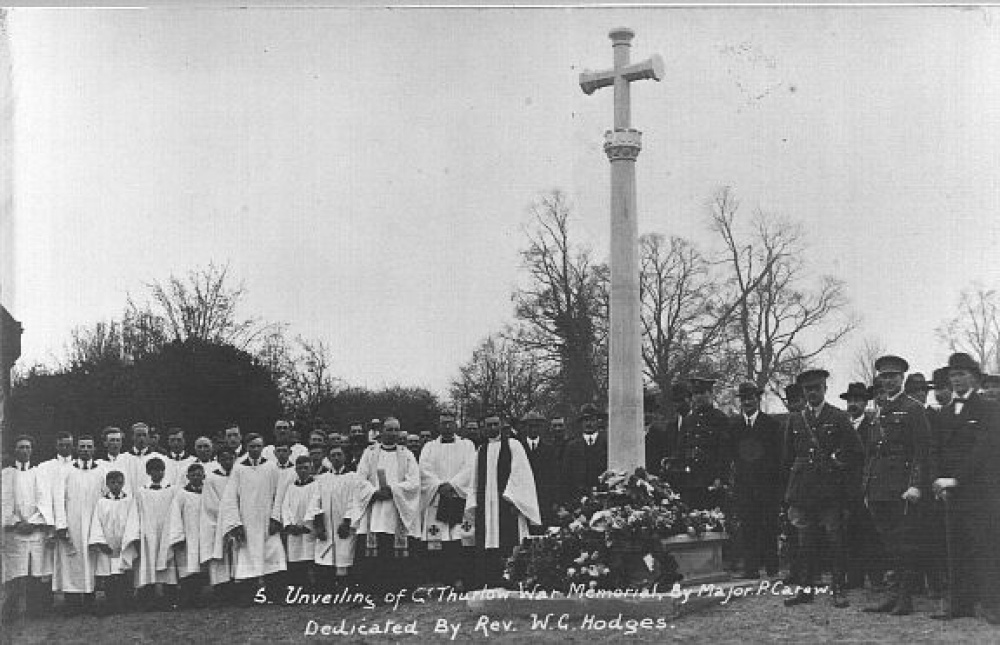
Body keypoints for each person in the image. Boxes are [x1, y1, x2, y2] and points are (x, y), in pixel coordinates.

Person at [782, 368, 863, 609]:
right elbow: (787, 457)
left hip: (830, 490)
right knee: (805, 541)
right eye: (808, 390)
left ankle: (838, 589)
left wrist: (840, 460)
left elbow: (857, 451)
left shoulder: (837, 417)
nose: (812, 393)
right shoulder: (796, 419)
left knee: (834, 539)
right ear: (804, 392)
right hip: (804, 490)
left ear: (825, 389)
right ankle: (806, 590)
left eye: (817, 388)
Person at [930, 352, 1000, 622]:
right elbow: (935, 450)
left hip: (980, 491)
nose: (956, 379)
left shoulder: (988, 409)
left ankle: (992, 605)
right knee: (955, 547)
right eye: (953, 375)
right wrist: (939, 481)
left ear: (973, 377)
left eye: (961, 374)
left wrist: (956, 478)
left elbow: (983, 452)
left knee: (984, 547)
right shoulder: (944, 413)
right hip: (951, 492)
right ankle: (960, 605)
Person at [860, 356, 930, 616]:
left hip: (901, 488)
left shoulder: (912, 408)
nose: (888, 380)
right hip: (879, 488)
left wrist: (915, 485)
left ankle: (905, 598)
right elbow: (871, 452)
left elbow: (922, 451)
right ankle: (893, 595)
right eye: (884, 376)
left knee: (904, 543)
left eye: (893, 376)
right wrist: (866, 488)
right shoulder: (878, 409)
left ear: (902, 378)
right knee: (887, 543)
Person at [465, 415, 540, 588]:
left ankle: (513, 578)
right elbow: (475, 479)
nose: (492, 428)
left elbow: (521, 473)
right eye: (488, 425)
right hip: (486, 505)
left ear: (501, 425)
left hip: (507, 503)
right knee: (488, 541)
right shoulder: (481, 450)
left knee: (509, 540)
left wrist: (513, 499)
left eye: (495, 424)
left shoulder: (513, 445)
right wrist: (474, 502)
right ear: (484, 427)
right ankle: (489, 580)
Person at [355, 417, 422, 599]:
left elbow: (414, 482)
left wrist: (392, 490)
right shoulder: (369, 453)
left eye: (396, 430)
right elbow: (360, 479)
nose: (393, 433)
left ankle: (399, 590)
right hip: (376, 508)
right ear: (381, 432)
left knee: (397, 553)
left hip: (397, 508)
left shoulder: (407, 454)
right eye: (389, 429)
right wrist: (375, 492)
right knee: (379, 552)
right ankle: (377, 590)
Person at [217, 434, 287, 604]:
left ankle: (276, 594)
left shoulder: (271, 467)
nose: (255, 450)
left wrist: (276, 518)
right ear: (246, 447)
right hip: (247, 522)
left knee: (273, 554)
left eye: (258, 446)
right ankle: (247, 596)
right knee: (247, 556)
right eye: (251, 446)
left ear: (263, 447)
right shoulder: (239, 469)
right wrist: (236, 524)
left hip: (267, 520)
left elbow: (279, 494)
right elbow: (230, 498)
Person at [728, 382, 783, 580]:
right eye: (744, 399)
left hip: (767, 486)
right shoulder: (734, 427)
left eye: (751, 398)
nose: (748, 402)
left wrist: (776, 487)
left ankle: (772, 568)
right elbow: (732, 457)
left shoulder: (771, 425)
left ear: (758, 400)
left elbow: (778, 459)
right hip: (745, 486)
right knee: (748, 527)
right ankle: (750, 569)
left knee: (769, 526)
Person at [419, 411, 477, 589]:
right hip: (437, 497)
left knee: (459, 539)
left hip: (459, 496)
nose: (447, 426)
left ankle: (460, 577)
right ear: (438, 425)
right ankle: (440, 579)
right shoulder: (429, 447)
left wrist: (453, 485)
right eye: (443, 423)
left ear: (456, 425)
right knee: (438, 541)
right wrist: (439, 485)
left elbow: (471, 467)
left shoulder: (467, 445)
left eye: (450, 422)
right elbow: (424, 469)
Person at [52, 434, 106, 615]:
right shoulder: (66, 471)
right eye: (82, 447)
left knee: (91, 560)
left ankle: (90, 601)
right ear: (77, 449)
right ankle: (72, 603)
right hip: (72, 523)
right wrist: (61, 524)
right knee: (71, 561)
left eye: (88, 447)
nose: (85, 450)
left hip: (93, 523)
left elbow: (105, 498)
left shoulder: (101, 471)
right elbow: (59, 498)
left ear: (94, 449)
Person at [2, 435, 54, 619]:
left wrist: (33, 521)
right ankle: (11, 610)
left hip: (34, 530)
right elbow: (4, 502)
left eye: (27, 447)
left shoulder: (39, 473)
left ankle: (35, 609)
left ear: (32, 450)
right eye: (21, 447)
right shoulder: (6, 474)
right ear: (15, 450)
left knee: (35, 571)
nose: (24, 450)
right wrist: (15, 522)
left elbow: (45, 501)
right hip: (14, 533)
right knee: (14, 573)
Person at [839, 382, 884, 591]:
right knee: (850, 532)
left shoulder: (873, 426)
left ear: (865, 403)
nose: (853, 404)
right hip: (845, 487)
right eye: (850, 400)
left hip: (866, 486)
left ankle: (876, 577)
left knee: (870, 532)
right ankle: (854, 577)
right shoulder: (841, 425)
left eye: (857, 400)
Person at [314, 446, 374, 587]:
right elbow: (315, 500)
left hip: (345, 523)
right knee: (327, 556)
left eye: (339, 455)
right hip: (327, 523)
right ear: (328, 458)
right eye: (333, 455)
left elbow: (355, 500)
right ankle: (328, 588)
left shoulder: (353, 477)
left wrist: (347, 522)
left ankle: (345, 588)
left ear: (344, 457)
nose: (336, 458)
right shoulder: (322, 479)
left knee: (344, 555)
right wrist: (319, 525)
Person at [123, 457, 179, 611]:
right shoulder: (141, 492)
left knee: (168, 566)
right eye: (154, 470)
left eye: (160, 470)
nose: (157, 473)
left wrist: (174, 532)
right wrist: (136, 535)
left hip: (166, 533)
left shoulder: (171, 490)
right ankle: (147, 600)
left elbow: (175, 512)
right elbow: (135, 514)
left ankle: (169, 599)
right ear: (148, 472)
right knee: (146, 566)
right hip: (148, 534)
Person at [672, 377, 730, 510]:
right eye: (696, 394)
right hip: (690, 480)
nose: (698, 397)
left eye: (702, 393)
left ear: (711, 394)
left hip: (710, 479)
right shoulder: (689, 420)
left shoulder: (720, 419)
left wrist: (720, 477)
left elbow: (724, 451)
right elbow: (681, 448)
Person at [88, 469, 134, 615]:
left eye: (119, 483)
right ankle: (111, 603)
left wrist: (127, 542)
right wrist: (102, 543)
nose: (116, 486)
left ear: (123, 483)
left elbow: (132, 522)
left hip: (123, 544)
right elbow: (97, 523)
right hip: (107, 545)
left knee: (123, 574)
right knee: (109, 576)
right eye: (113, 483)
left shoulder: (129, 501)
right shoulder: (102, 502)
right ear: (107, 484)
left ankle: (125, 603)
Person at [168, 462, 208, 608]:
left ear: (204, 476)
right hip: (187, 536)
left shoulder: (208, 493)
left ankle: (199, 598)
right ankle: (187, 598)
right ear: (188, 477)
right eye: (193, 475)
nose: (196, 477)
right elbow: (175, 516)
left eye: (199, 474)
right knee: (187, 568)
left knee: (200, 568)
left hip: (204, 535)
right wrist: (178, 536)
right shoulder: (181, 495)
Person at [281, 456, 324, 588]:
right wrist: (289, 524)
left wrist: (306, 523)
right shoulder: (291, 487)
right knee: (295, 558)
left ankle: (313, 588)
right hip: (294, 529)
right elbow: (285, 507)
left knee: (310, 558)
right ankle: (298, 587)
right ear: (296, 469)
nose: (303, 471)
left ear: (311, 468)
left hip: (309, 528)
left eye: (306, 468)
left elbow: (315, 504)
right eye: (300, 468)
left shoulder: (316, 485)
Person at [203, 448, 236, 605]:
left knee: (236, 557)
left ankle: (236, 590)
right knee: (220, 558)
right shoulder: (211, 479)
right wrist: (225, 520)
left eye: (230, 458)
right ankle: (221, 593)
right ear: (218, 460)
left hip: (236, 522)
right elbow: (211, 504)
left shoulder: (238, 476)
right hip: (218, 523)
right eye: (224, 459)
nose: (227, 462)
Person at [519, 410, 560, 528]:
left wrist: (555, 500)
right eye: (530, 426)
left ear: (541, 428)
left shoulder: (549, 449)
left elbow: (555, 476)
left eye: (536, 426)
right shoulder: (518, 448)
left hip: (544, 499)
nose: (533, 429)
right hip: (524, 499)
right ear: (525, 428)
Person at [564, 404, 608, 499]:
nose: (589, 424)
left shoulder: (607, 444)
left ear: (598, 422)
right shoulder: (572, 446)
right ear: (581, 423)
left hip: (604, 496)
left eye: (592, 420)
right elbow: (567, 475)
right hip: (578, 498)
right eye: (586, 420)